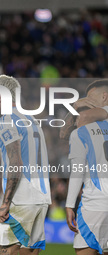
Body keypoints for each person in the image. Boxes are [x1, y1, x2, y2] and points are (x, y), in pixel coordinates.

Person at [0, 75, 51, 255]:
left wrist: (5, 203)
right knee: (30, 251)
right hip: (42, 195)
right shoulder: (32, 119)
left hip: (23, 197)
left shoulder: (6, 120)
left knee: (6, 249)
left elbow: (16, 162)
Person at [65, 81, 108, 255]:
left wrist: (69, 205)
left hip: (95, 204)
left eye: (89, 98)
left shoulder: (81, 132)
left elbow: (77, 172)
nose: (85, 101)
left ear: (104, 97)